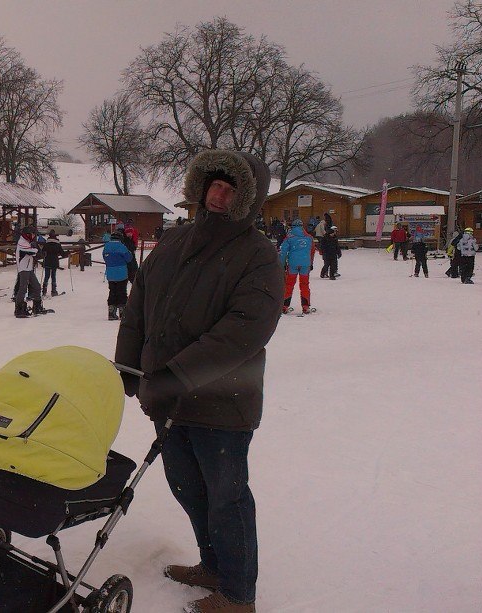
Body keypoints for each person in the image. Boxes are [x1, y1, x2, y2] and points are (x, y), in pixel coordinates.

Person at [115, 149, 283, 613]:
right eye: (215, 185)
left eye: (231, 190)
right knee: (188, 488)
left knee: (227, 497)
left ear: (247, 199)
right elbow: (138, 304)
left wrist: (175, 375)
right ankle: (213, 565)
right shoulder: (175, 240)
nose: (219, 196)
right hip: (166, 398)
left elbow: (244, 330)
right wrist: (128, 365)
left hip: (221, 402)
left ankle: (238, 595)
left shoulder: (258, 255)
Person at [13, 226, 53, 318]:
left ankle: (37, 307)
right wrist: (37, 251)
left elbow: (34, 253)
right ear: (27, 234)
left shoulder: (27, 242)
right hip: (23, 268)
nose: (34, 236)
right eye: (32, 234)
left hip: (28, 268)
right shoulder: (22, 242)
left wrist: (41, 253)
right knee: (23, 288)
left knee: (37, 286)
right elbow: (30, 252)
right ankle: (19, 309)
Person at [280, 219, 316, 314]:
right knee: (304, 285)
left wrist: (282, 264)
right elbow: (312, 252)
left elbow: (283, 252)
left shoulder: (289, 238)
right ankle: (305, 307)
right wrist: (311, 263)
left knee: (289, 284)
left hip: (292, 264)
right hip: (305, 264)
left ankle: (284, 306)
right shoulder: (309, 238)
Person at [102, 229, 133, 320]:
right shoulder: (122, 247)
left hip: (110, 273)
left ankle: (111, 312)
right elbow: (129, 258)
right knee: (122, 292)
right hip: (121, 273)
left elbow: (105, 257)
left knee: (112, 291)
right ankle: (122, 312)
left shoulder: (106, 246)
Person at [41, 229, 66, 296]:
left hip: (47, 260)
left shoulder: (46, 243)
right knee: (53, 276)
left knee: (46, 276)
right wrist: (67, 254)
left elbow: (42, 251)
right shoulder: (57, 243)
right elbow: (62, 253)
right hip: (54, 261)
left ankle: (44, 291)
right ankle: (53, 291)